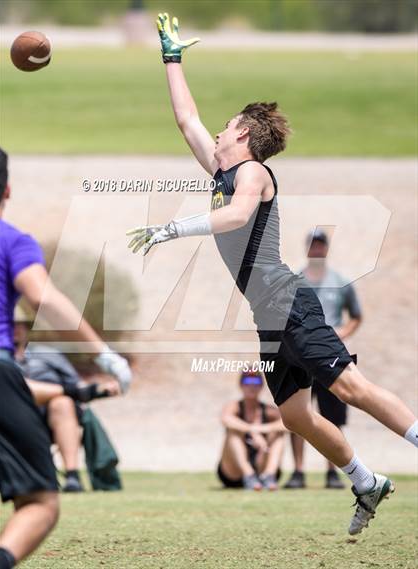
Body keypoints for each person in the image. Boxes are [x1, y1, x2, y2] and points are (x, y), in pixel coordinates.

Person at [127, 13, 418, 536]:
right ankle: (367, 480)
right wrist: (172, 60)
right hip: (269, 317)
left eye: (226, 123)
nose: (215, 129)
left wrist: (173, 229)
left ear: (242, 133)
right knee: (294, 417)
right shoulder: (221, 173)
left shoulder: (254, 173)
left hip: (290, 302)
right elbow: (186, 120)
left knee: (349, 386)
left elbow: (238, 216)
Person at [0, 147, 132, 568]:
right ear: (7, 189)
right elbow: (42, 296)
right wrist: (103, 353)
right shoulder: (12, 241)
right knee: (40, 501)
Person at [284, 229, 362, 490]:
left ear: (326, 249)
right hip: (301, 356)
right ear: (307, 248)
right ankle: (298, 471)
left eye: (321, 246)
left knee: (332, 416)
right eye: (313, 246)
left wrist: (341, 333)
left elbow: (356, 317)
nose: (317, 250)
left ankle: (332, 471)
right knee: (298, 413)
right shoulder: (294, 280)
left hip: (331, 356)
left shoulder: (341, 282)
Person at [13, 307, 121, 493]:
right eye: (10, 324)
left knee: (62, 403)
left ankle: (72, 476)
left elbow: (76, 385)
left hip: (52, 417)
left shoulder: (48, 355)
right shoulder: (2, 360)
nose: (16, 329)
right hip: (13, 415)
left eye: (20, 324)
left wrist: (99, 389)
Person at [218, 370, 286, 491]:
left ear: (261, 386)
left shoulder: (269, 410)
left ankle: (269, 475)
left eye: (256, 382)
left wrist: (259, 429)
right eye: (247, 381)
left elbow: (287, 424)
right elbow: (226, 419)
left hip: (261, 463)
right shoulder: (235, 406)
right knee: (232, 432)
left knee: (279, 434)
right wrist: (252, 431)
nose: (251, 386)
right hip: (234, 473)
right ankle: (248, 475)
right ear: (241, 385)